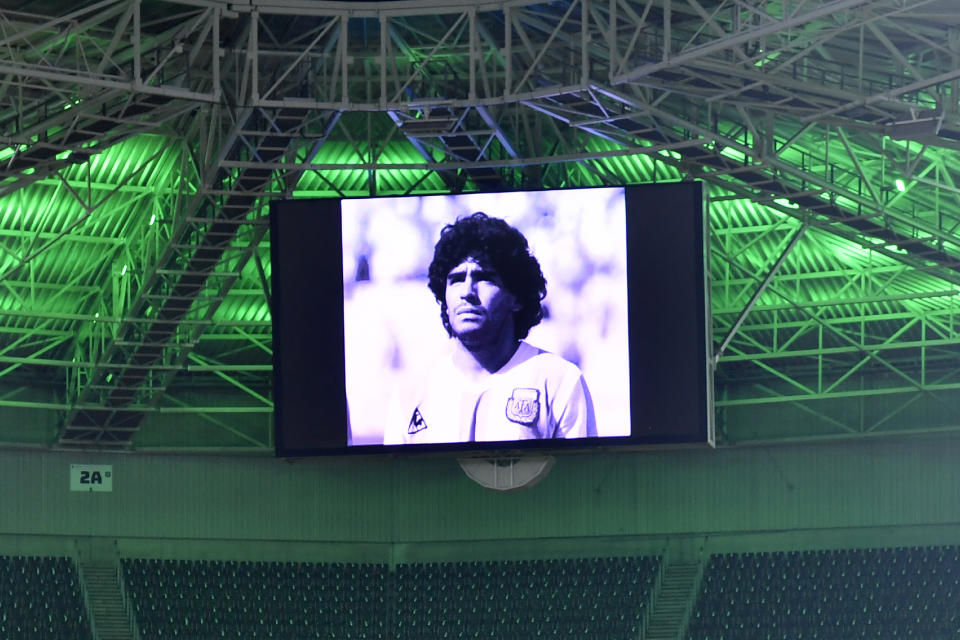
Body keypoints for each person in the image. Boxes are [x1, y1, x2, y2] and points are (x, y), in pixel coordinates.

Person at [383, 212, 597, 445]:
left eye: (483, 278)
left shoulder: (559, 381)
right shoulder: (411, 392)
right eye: (456, 279)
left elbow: (581, 478)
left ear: (516, 297)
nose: (467, 292)